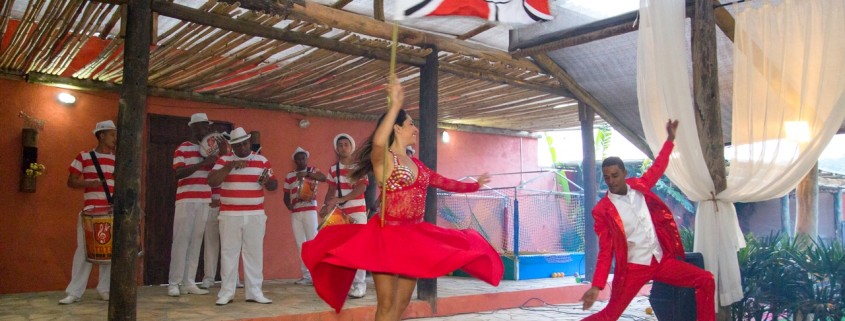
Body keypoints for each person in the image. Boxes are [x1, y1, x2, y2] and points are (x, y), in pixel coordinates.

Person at [302, 80, 503, 321]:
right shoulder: (385, 159)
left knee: (402, 303)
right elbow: (377, 142)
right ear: (396, 129)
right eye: (410, 124)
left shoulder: (417, 165)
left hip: (414, 238)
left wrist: (475, 185)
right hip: (386, 237)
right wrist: (395, 105)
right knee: (386, 305)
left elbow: (445, 182)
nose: (415, 129)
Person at [580, 119, 715, 321]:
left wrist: (670, 139)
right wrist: (597, 285)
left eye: (615, 175)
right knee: (610, 315)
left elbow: (658, 167)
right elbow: (606, 251)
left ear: (624, 173)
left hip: (661, 260)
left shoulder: (639, 187)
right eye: (607, 177)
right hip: (634, 267)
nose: (611, 181)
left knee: (706, 280)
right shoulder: (603, 210)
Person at [208, 127, 278, 305]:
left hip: (255, 214)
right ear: (232, 146)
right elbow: (212, 181)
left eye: (245, 144)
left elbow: (273, 185)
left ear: (249, 143)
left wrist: (267, 181)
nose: (242, 148)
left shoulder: (261, 160)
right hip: (230, 214)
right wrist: (230, 166)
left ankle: (255, 292)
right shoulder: (224, 160)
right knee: (229, 253)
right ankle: (226, 293)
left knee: (254, 253)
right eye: (237, 146)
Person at [60, 120, 117, 304]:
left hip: (111, 211)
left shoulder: (118, 159)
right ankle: (74, 292)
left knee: (110, 252)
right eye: (112, 135)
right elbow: (71, 181)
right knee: (83, 251)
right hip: (90, 211)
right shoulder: (84, 156)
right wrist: (89, 184)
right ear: (101, 135)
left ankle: (104, 289)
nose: (115, 139)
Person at [168, 113, 220, 297]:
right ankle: (173, 283)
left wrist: (213, 160)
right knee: (181, 241)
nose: (207, 130)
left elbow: (215, 177)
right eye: (204, 126)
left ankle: (188, 282)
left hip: (204, 200)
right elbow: (179, 173)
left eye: (208, 127)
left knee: (196, 240)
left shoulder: (209, 150)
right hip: (186, 199)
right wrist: (203, 163)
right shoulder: (182, 148)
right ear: (194, 127)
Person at [321, 133, 369, 298]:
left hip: (358, 212)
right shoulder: (333, 169)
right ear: (336, 148)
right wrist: (325, 206)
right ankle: (346, 283)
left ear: (351, 147)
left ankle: (360, 284)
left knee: (359, 248)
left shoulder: (358, 166)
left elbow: (361, 188)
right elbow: (330, 191)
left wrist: (342, 199)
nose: (343, 147)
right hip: (340, 214)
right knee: (341, 250)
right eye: (340, 145)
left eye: (346, 144)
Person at [283, 147, 326, 286]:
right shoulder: (290, 176)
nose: (301, 160)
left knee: (313, 242)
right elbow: (285, 195)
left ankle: (317, 274)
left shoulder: (313, 170)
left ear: (307, 159)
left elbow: (323, 178)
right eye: (298, 158)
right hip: (296, 212)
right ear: (295, 160)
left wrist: (308, 174)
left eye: (303, 158)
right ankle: (306, 275)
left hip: (309, 211)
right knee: (301, 244)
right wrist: (288, 204)